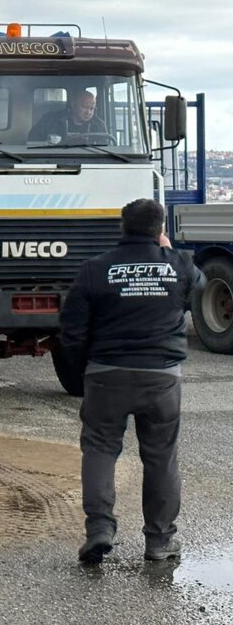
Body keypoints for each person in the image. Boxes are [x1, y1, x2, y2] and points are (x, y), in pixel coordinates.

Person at [59, 198, 205, 564]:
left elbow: (71, 331)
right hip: (162, 377)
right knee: (161, 457)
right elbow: (198, 288)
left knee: (100, 448)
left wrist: (84, 371)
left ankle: (99, 530)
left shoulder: (95, 268)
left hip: (106, 374)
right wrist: (167, 252)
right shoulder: (179, 265)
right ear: (161, 229)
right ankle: (159, 541)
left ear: (122, 227)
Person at [28, 89, 106, 142]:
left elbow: (104, 151)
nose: (88, 112)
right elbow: (32, 141)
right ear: (73, 105)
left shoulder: (99, 125)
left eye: (92, 109)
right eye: (84, 107)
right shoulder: (49, 120)